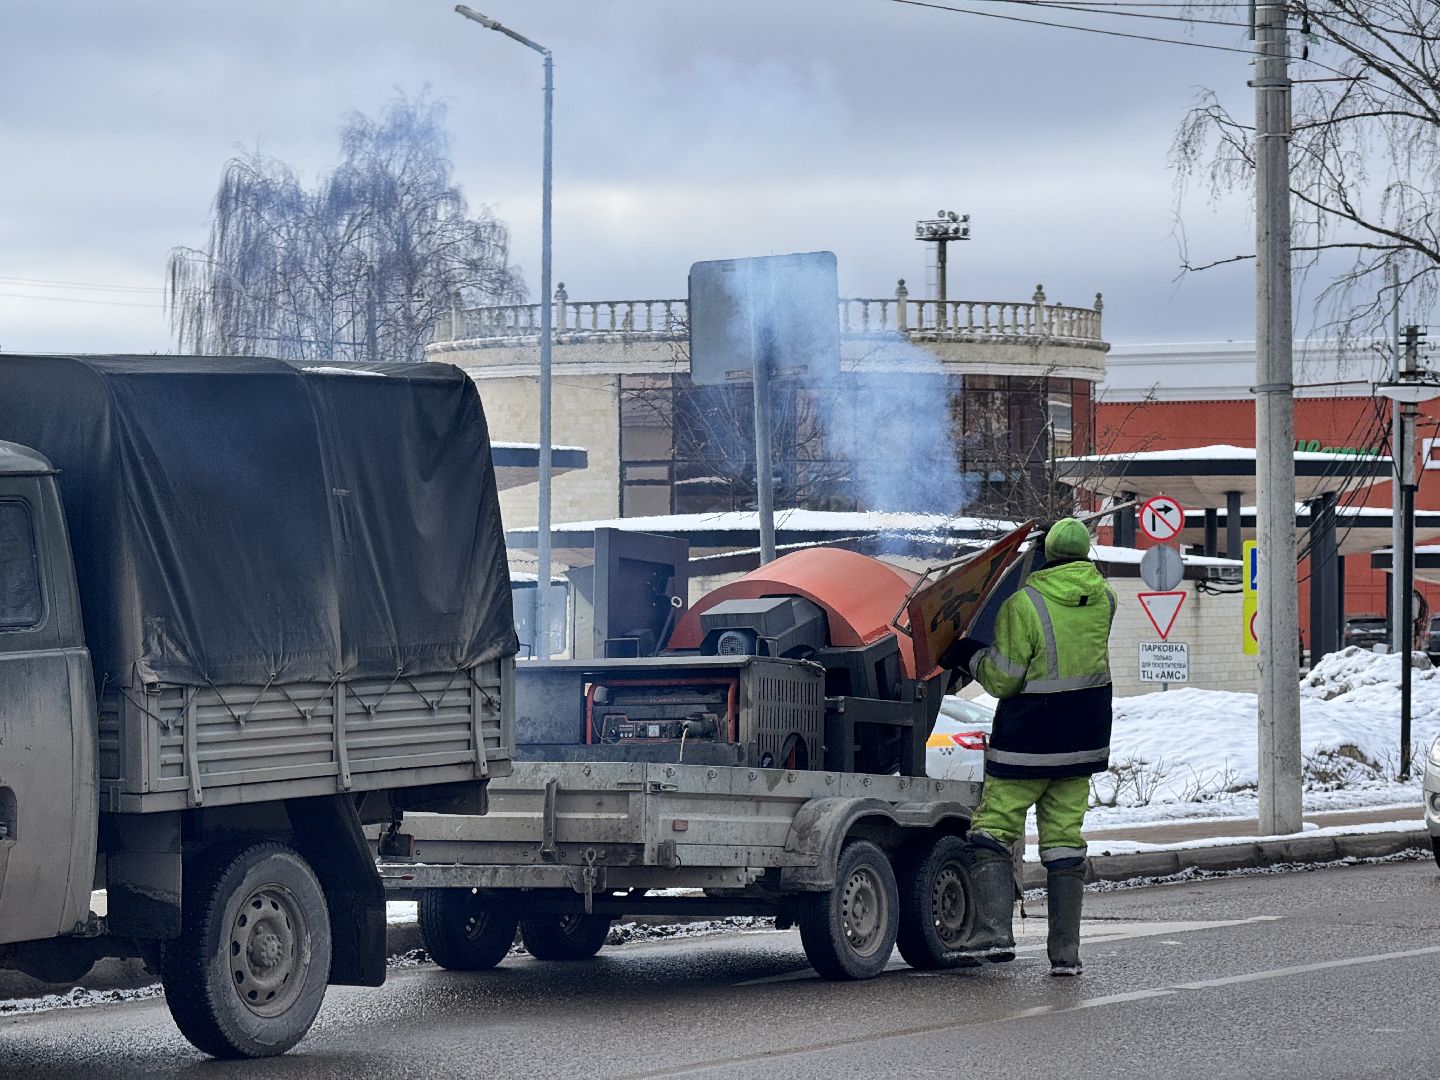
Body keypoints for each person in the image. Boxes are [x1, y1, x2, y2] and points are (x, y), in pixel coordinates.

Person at [940, 517, 1117, 976]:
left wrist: (969, 654)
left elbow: (1003, 679)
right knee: (1063, 843)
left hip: (1028, 742)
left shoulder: (1025, 604)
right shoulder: (1106, 600)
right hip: (1082, 742)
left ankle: (994, 933)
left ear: (1045, 555)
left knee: (992, 832)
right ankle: (1065, 955)